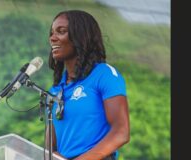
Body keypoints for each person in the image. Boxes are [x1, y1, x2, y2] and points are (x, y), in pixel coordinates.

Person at [46, 10, 130, 160]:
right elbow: (49, 148)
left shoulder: (104, 74)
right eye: (52, 33)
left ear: (80, 36)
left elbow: (121, 132)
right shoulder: (55, 90)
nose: (53, 38)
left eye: (61, 31)